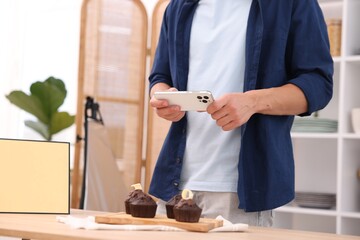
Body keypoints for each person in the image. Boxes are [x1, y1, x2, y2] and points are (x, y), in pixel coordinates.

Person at [148, 0, 333, 226]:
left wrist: (252, 102)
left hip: (238, 193)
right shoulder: (177, 6)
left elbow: (318, 84)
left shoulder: (291, 3)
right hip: (173, 188)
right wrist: (164, 98)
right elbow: (160, 77)